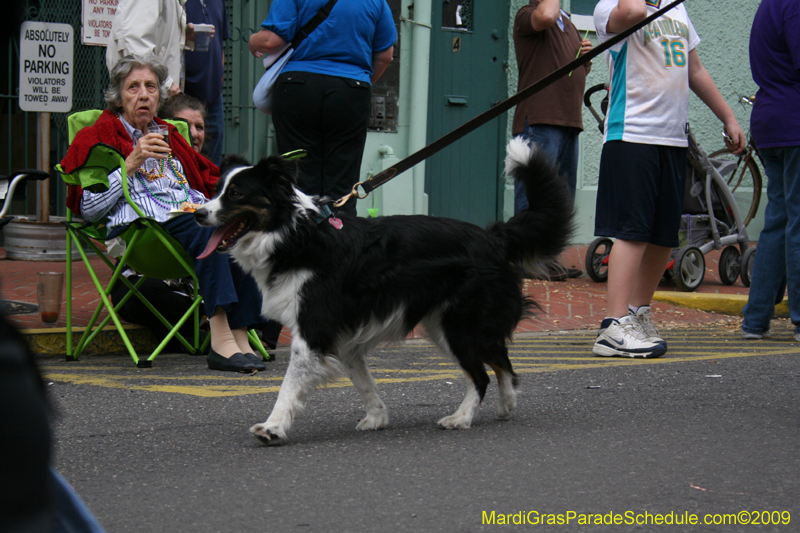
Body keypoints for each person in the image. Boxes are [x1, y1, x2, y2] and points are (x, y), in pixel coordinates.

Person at [60, 55, 266, 373]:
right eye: (134, 87)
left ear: (159, 96)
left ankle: (240, 335)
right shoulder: (98, 136)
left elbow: (204, 178)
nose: (143, 94)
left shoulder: (171, 134)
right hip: (147, 230)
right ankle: (220, 341)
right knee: (209, 231)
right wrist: (130, 161)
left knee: (240, 229)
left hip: (187, 212)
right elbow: (89, 209)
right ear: (118, 96)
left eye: (151, 87)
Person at [591, 0, 745, 358]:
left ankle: (637, 313)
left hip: (672, 138)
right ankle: (612, 327)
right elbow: (630, 14)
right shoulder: (610, 6)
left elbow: (695, 70)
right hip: (631, 135)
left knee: (663, 234)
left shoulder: (677, 10)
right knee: (633, 231)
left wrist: (728, 117)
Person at [247, 0, 396, 216]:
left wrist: (253, 41)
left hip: (298, 86)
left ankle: (302, 243)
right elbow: (385, 56)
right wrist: (353, 84)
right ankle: (341, 240)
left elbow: (271, 41)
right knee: (343, 181)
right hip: (351, 89)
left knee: (299, 178)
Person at [512, 0, 592, 281]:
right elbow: (545, 14)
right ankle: (523, 258)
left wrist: (584, 60)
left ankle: (547, 259)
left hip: (569, 120)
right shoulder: (527, 15)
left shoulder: (567, 23)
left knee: (560, 196)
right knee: (534, 192)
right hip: (540, 118)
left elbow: (571, 70)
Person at [741, 0, 800, 341]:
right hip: (794, 121)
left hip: (770, 120)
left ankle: (756, 320)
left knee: (778, 221)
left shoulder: (770, 4)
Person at [105, 0, 202, 97]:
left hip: (153, 93)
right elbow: (136, 43)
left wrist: (183, 34)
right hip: (143, 93)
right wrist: (167, 83)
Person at [184, 0, 228, 165]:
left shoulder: (218, 2)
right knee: (184, 159)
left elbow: (220, 44)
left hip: (213, 96)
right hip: (184, 91)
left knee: (212, 164)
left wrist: (219, 80)